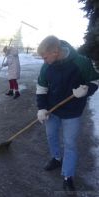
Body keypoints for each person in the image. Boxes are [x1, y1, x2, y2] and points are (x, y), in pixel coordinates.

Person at [36, 35, 99, 192]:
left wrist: (85, 90)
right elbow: (41, 88)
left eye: (45, 57)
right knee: (51, 136)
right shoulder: (47, 66)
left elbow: (95, 81)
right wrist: (42, 108)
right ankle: (56, 158)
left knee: (70, 143)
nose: (44, 61)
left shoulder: (81, 62)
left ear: (55, 52)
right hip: (52, 110)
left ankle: (68, 176)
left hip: (72, 111)